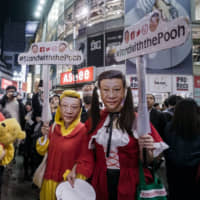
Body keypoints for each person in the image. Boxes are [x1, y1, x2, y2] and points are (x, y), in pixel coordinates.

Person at [68, 70, 168, 200]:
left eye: (116, 89)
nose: (111, 95)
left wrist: (147, 148)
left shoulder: (137, 121)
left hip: (130, 181)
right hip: (100, 180)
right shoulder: (95, 120)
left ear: (124, 92)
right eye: (105, 90)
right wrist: (75, 168)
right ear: (99, 93)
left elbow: (147, 161)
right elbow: (85, 153)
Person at [36, 90, 93, 200]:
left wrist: (76, 174)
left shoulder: (83, 131)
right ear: (59, 107)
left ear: (80, 110)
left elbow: (86, 160)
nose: (69, 111)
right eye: (64, 106)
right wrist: (45, 136)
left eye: (74, 107)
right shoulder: (53, 128)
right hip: (48, 182)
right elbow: (42, 151)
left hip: (68, 186)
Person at [163, 98, 200, 200]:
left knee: (176, 193)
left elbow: (166, 147)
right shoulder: (198, 126)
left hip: (174, 169)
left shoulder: (169, 127)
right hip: (195, 170)